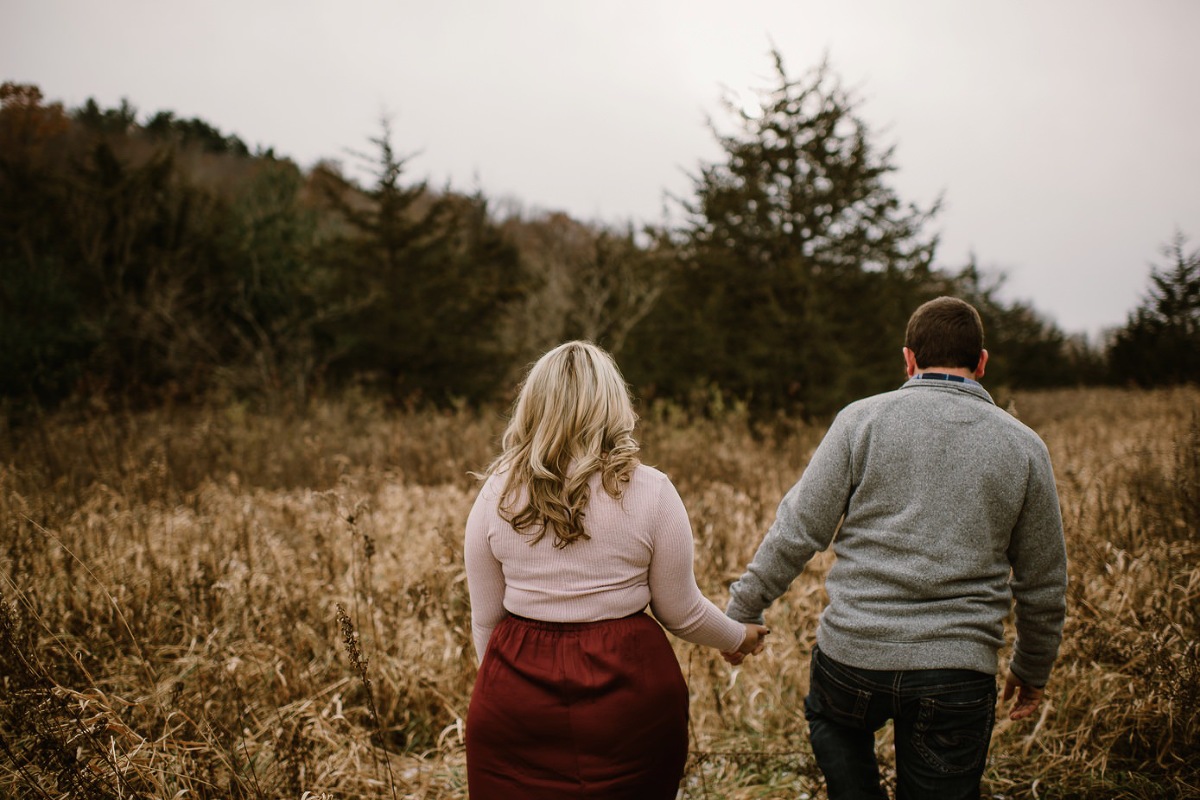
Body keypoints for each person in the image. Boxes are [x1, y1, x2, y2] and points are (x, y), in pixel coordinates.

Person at [725, 296, 1068, 800]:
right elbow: (1043, 581)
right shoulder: (1024, 447)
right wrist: (1031, 668)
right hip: (958, 671)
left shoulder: (859, 422)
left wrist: (742, 609)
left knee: (831, 718)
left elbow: (798, 529)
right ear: (982, 363)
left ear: (908, 359)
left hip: (851, 660)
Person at [464, 340, 769, 800]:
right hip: (630, 697)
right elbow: (680, 611)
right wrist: (737, 637)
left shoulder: (495, 495)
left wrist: (513, 692)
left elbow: (486, 620)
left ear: (532, 406)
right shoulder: (652, 491)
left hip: (515, 702)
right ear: (613, 405)